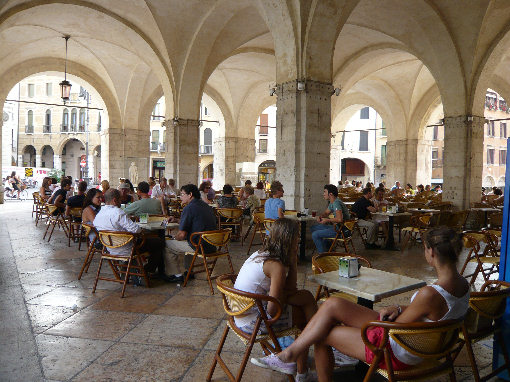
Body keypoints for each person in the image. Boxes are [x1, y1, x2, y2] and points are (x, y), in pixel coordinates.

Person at [251, 227, 470, 382]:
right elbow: (426, 312)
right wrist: (399, 308)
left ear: (431, 252)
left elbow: (397, 329)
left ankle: (289, 355)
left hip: (397, 350)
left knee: (323, 333)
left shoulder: (429, 294)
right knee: (333, 304)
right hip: (420, 343)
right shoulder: (462, 285)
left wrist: (356, 328)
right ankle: (290, 354)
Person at [236, 218, 318, 382]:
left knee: (306, 299)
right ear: (289, 239)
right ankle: (302, 368)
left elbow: (291, 290)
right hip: (254, 323)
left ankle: (301, 367)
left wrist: (293, 259)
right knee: (309, 321)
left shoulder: (260, 254)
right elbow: (272, 311)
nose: (299, 240)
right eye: (297, 237)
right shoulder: (275, 266)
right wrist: (284, 294)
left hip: (239, 314)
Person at [93, 189, 168, 280]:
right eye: (120, 199)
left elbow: (98, 227)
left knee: (153, 242)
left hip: (110, 248)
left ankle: (130, 271)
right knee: (159, 242)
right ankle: (148, 270)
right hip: (127, 248)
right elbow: (136, 230)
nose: (121, 202)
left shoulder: (99, 214)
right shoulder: (118, 212)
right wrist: (139, 228)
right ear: (115, 200)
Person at [165, 184, 217, 282]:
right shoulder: (206, 206)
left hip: (200, 245)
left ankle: (177, 275)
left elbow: (182, 235)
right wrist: (177, 220)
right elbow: (196, 221)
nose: (180, 197)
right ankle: (189, 271)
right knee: (190, 239)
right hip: (213, 244)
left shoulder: (188, 208)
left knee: (167, 244)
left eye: (182, 194)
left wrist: (173, 238)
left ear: (190, 195)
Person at [310, 184, 350, 254]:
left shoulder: (336, 203)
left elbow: (340, 219)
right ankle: (328, 248)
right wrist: (321, 216)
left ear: (330, 194)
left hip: (342, 230)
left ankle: (323, 256)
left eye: (325, 192)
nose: (323, 194)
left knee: (315, 234)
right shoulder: (333, 202)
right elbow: (326, 213)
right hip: (337, 227)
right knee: (313, 228)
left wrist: (327, 220)